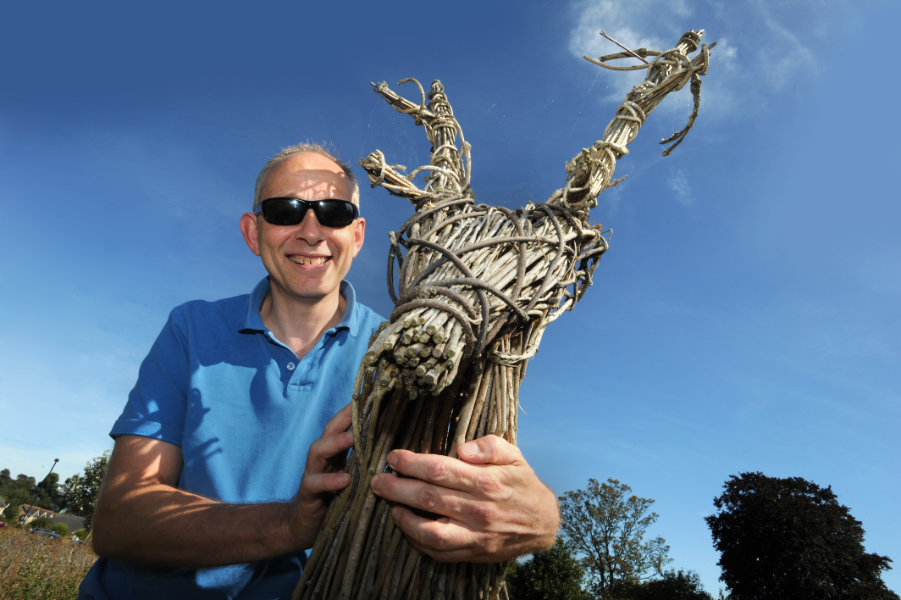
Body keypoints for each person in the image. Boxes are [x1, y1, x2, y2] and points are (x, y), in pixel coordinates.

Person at [78, 143, 558, 599]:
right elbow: (121, 519)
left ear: (358, 234)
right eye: (285, 211)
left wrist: (541, 520)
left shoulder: (410, 350)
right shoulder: (192, 329)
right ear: (253, 231)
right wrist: (290, 524)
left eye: (334, 213)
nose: (311, 231)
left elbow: (478, 484)